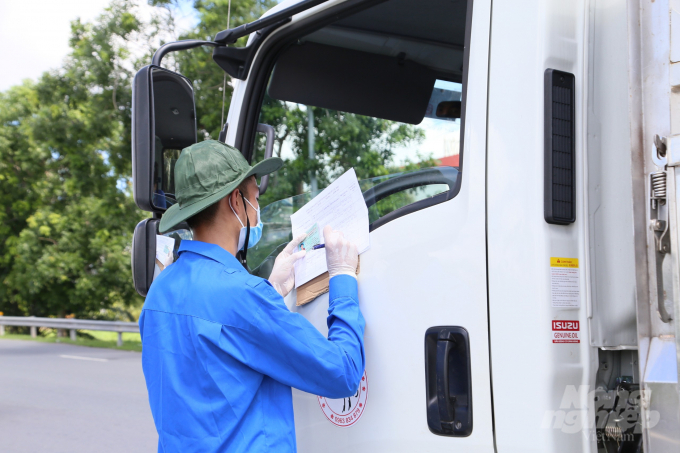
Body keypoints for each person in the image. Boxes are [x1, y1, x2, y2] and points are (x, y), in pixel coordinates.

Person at [139, 140, 365, 453]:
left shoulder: (159, 293)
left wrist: (273, 290)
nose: (257, 210)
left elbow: (215, 368)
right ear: (236, 200)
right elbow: (343, 374)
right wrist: (342, 275)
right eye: (256, 197)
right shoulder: (243, 295)